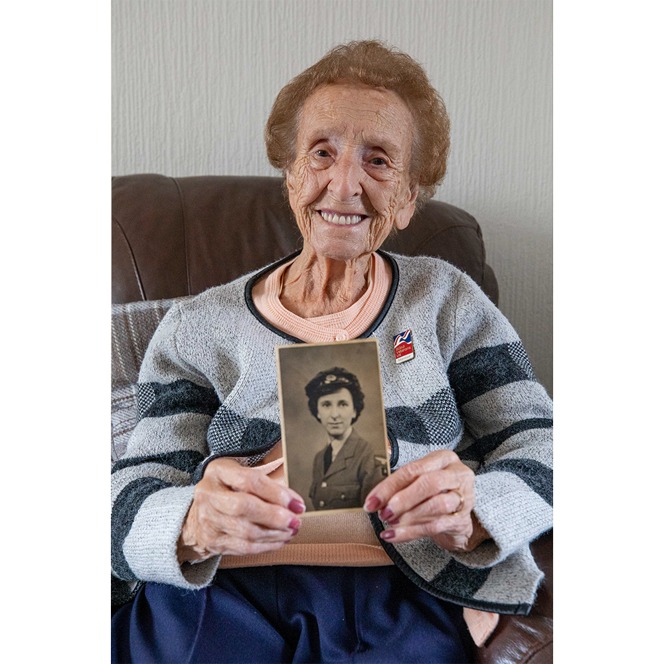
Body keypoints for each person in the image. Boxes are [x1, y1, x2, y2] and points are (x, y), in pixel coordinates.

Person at [112, 40, 552, 663]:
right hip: (224, 587)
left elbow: (542, 442)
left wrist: (476, 510)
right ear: (290, 174)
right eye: (322, 152)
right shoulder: (197, 327)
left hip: (404, 585)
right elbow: (131, 488)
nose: (344, 184)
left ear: (407, 199)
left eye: (378, 161)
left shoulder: (446, 300)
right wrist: (190, 522)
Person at [305, 367, 388, 510]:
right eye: (326, 405)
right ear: (317, 412)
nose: (335, 414)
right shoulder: (319, 459)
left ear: (354, 410)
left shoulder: (369, 455)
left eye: (342, 404)